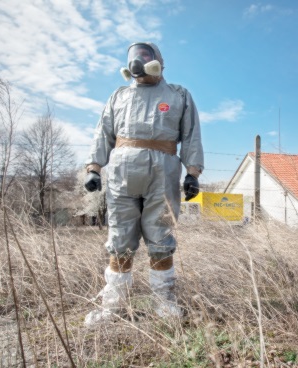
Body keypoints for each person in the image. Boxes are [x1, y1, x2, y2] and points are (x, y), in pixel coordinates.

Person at [83, 42, 203, 326]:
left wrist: (193, 173)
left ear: (158, 61)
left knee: (160, 238)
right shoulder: (119, 96)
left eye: (146, 56)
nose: (139, 60)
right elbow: (103, 132)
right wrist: (94, 167)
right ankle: (112, 305)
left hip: (162, 173)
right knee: (119, 239)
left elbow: (191, 134)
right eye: (135, 57)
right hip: (121, 174)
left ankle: (164, 302)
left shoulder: (178, 95)